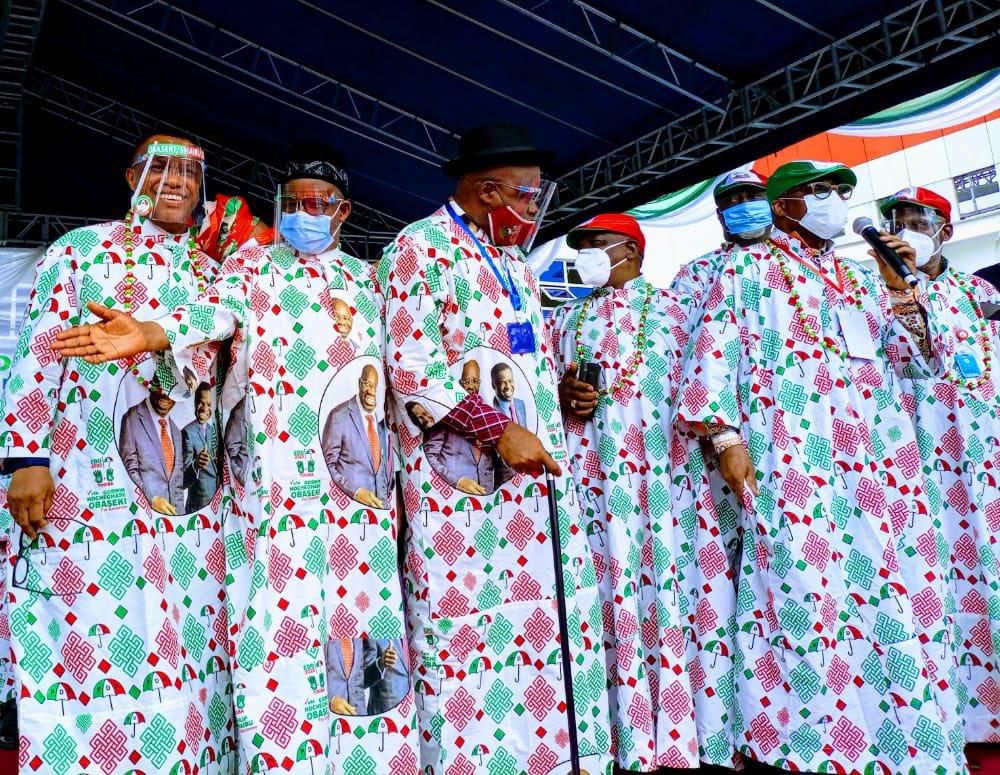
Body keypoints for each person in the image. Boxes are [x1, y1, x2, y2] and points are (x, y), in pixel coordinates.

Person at [52, 143, 417, 768]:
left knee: (365, 629)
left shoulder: (370, 282)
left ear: (345, 211)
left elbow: (400, 383)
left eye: (320, 204)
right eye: (294, 203)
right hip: (270, 501)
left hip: (361, 504)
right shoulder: (248, 270)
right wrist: (150, 332)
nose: (306, 213)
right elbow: (205, 314)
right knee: (281, 638)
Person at [675, 160, 965, 774]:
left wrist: (897, 287)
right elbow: (712, 355)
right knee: (803, 590)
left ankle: (905, 738)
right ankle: (815, 744)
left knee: (896, 592)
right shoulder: (744, 270)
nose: (834, 199)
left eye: (839, 190)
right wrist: (726, 437)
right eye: (819, 190)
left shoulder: (861, 276)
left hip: (877, 461)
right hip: (792, 456)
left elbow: (920, 360)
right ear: (783, 206)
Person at [378, 122, 611, 772]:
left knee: (546, 649)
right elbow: (412, 371)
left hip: (534, 504)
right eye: (527, 196)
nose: (535, 209)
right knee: (468, 650)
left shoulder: (514, 263)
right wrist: (499, 428)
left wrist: (560, 394)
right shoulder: (417, 249)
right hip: (463, 509)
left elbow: (525, 360)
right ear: (486, 189)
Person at [0, 133, 233, 771]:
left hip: (185, 501)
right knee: (89, 639)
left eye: (189, 172)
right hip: (85, 484)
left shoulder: (210, 273)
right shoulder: (83, 250)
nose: (176, 182)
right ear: (131, 176)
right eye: (159, 170)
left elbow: (218, 344)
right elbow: (39, 353)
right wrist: (26, 460)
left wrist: (160, 334)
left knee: (186, 649)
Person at [547, 213, 709, 773]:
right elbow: (546, 401)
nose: (582, 255)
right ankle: (614, 739)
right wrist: (565, 396)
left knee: (672, 599)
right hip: (593, 488)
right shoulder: (563, 321)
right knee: (601, 601)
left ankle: (683, 738)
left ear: (629, 250)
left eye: (594, 245)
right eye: (579, 246)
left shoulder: (678, 311)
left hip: (664, 487)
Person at [880, 186, 1000, 742]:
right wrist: (897, 289)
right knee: (937, 587)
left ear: (944, 231)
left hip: (984, 459)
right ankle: (957, 722)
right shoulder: (872, 295)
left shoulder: (979, 293)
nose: (904, 228)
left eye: (915, 220)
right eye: (896, 220)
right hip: (919, 464)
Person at [669, 169, 771, 308]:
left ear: (773, 205)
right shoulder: (697, 273)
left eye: (754, 197)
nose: (745, 206)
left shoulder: (797, 258)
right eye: (733, 200)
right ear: (719, 215)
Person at [321, 364, 391, 507]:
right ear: (359, 383)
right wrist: (356, 492)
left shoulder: (381, 420)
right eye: (367, 384)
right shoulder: (338, 416)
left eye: (375, 386)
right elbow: (326, 467)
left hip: (380, 513)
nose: (371, 391)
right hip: (349, 510)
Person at [119, 377, 185, 514]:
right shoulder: (131, 418)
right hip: (145, 517)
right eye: (162, 388)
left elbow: (177, 484)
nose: (166, 395)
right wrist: (152, 500)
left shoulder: (176, 432)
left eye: (173, 391)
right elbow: (128, 471)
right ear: (152, 387)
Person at [181, 381, 220, 512]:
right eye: (201, 403)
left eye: (209, 404)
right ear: (195, 403)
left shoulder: (214, 430)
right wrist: (196, 465)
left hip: (217, 504)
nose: (204, 408)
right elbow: (183, 479)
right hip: (198, 507)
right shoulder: (187, 433)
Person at [365, 638, 409, 715]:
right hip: (385, 713)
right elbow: (360, 680)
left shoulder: (411, 632)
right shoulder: (373, 632)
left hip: (411, 710)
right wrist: (380, 663)